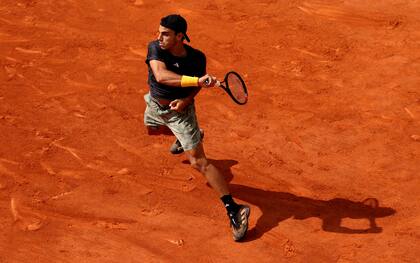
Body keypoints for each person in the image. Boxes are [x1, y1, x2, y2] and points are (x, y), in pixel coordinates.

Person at [143, 14, 250, 241]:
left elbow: (198, 85)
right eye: (159, 32)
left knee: (198, 162)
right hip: (154, 104)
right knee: (151, 130)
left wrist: (187, 99)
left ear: (180, 36)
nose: (159, 37)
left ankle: (234, 209)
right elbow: (161, 76)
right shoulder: (155, 48)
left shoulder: (197, 58)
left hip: (181, 114)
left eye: (165, 34)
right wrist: (197, 81)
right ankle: (185, 139)